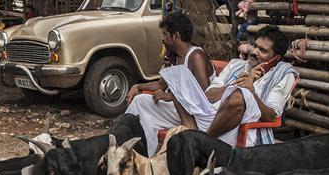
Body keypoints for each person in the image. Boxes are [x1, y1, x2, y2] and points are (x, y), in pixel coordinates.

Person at [169, 25, 297, 147]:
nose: (254, 52)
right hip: (205, 116)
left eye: (262, 50)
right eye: (254, 46)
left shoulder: (283, 75)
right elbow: (209, 95)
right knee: (177, 76)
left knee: (241, 96)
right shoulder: (236, 65)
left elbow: (270, 117)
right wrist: (239, 83)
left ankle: (202, 141)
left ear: (275, 58)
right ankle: (192, 131)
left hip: (235, 127)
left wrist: (250, 90)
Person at [125, 12, 215, 156]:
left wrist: (172, 97)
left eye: (165, 34)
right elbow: (161, 85)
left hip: (196, 114)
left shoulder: (195, 56)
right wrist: (138, 87)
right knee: (140, 103)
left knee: (143, 110)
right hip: (178, 108)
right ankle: (140, 152)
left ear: (176, 36)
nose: (162, 38)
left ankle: (140, 152)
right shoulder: (176, 57)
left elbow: (204, 95)